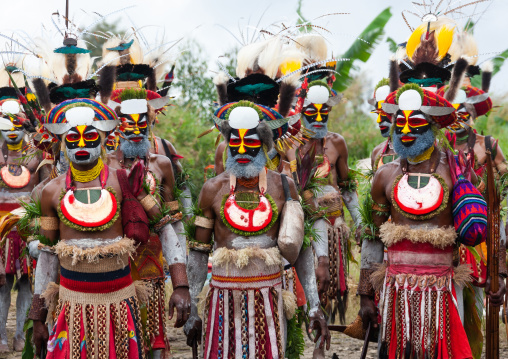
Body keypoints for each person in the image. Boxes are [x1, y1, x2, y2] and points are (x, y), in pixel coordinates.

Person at [27, 98, 191, 359]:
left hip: (120, 303)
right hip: (72, 304)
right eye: (73, 138)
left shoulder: (125, 180)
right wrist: (38, 316)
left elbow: (163, 227)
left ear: (103, 138)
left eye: (89, 137)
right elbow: (47, 255)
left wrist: (181, 285)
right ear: (62, 143)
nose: (81, 145)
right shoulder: (50, 192)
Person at [184, 97, 330, 358]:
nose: (241, 150)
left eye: (250, 143)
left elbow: (301, 248)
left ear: (264, 145)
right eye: (234, 143)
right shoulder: (212, 190)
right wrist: (194, 308)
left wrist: (314, 305)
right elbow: (198, 251)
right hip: (223, 298)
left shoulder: (284, 187)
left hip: (268, 298)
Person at [106, 87, 187, 356]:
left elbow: (174, 220)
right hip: (117, 256)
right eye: (130, 122)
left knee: (152, 328)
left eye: (143, 122)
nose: (137, 129)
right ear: (118, 125)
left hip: (152, 254)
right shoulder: (106, 166)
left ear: (150, 123)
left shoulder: (162, 164)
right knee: (120, 327)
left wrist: (180, 266)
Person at [0, 63, 49, 352]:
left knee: (27, 285)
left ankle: (20, 333)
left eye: (17, 123)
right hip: (1, 234)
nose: (13, 132)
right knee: (3, 285)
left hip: (27, 230)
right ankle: (3, 337)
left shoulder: (38, 154)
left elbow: (45, 193)